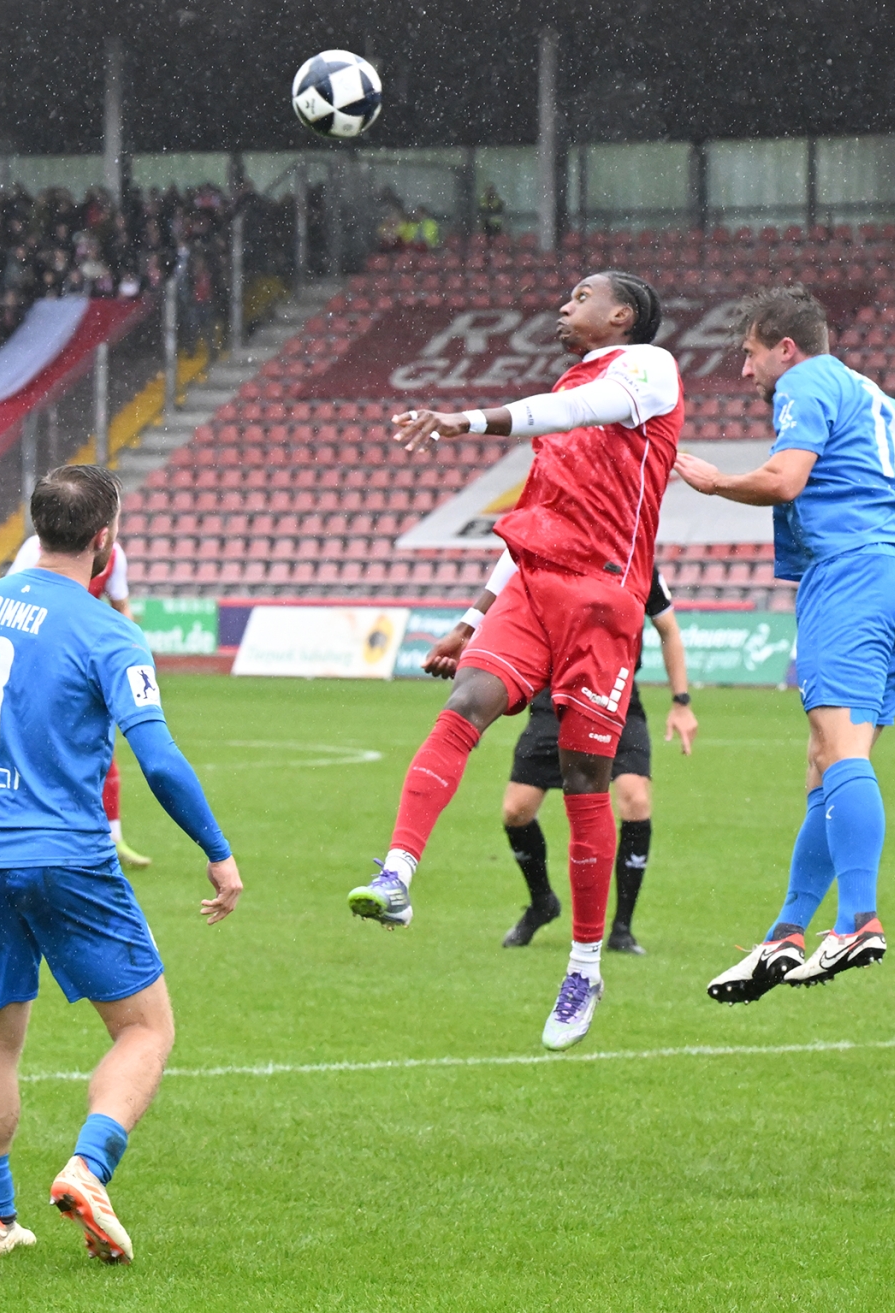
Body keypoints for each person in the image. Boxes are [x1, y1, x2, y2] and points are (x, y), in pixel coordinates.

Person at [346, 271, 682, 1051]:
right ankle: (397, 873)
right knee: (466, 702)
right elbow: (536, 517)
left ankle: (585, 966)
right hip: (533, 586)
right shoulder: (567, 390)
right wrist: (471, 618)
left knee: (585, 780)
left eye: (582, 296)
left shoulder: (648, 370)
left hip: (602, 599)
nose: (565, 304)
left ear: (622, 314)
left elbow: (575, 410)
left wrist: (465, 420)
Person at [0, 465, 242, 1261]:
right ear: (104, 539)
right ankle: (88, 1165)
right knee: (145, 1027)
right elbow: (159, 759)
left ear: (36, 527)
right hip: (64, 852)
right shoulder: (109, 632)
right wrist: (216, 850)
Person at [676, 285, 895, 1003]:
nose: (746, 371)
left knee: (841, 754)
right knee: (825, 765)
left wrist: (714, 481)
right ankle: (787, 933)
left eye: (750, 354)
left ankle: (858, 919)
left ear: (786, 349)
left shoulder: (806, 382)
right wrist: (889, 560)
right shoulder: (884, 401)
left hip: (851, 579)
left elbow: (785, 480)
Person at [423, 551, 698, 954]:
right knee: (516, 811)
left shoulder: (638, 562)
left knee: (635, 800)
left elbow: (668, 630)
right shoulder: (552, 554)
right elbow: (506, 614)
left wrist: (681, 701)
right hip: (553, 697)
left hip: (616, 694)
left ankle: (621, 928)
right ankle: (542, 903)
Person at [11, 531, 152, 868]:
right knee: (34, 746)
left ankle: (111, 839)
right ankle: (29, 834)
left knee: (101, 748)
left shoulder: (114, 556)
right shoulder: (36, 548)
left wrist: (131, 646)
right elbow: (12, 597)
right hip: (39, 662)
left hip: (81, 666)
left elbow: (121, 607)